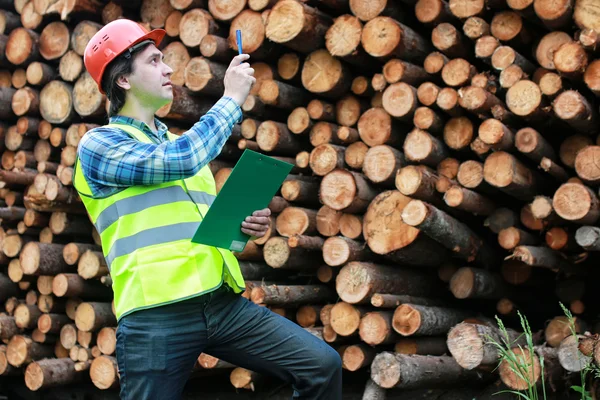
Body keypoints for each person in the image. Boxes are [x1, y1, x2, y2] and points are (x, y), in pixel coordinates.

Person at [73, 19, 342, 400]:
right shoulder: (99, 145)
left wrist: (243, 224)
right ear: (123, 80)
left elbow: (196, 223)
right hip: (155, 315)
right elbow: (179, 161)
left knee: (321, 366)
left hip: (221, 304)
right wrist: (231, 99)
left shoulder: (180, 143)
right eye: (153, 61)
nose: (167, 69)